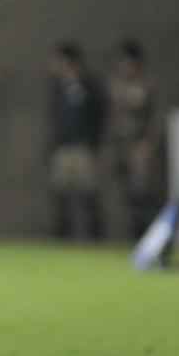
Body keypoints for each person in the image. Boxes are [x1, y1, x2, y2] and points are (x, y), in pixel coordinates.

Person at [47, 42, 108, 240]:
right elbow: (54, 117)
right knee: (61, 192)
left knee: (88, 192)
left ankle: (94, 235)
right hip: (63, 146)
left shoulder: (89, 86)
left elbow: (100, 115)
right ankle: (62, 235)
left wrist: (94, 141)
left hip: (83, 146)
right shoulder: (58, 87)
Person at [107, 40, 160, 240]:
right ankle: (132, 233)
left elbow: (153, 117)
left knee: (143, 191)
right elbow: (112, 115)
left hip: (139, 143)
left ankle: (146, 233)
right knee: (126, 192)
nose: (125, 66)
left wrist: (149, 143)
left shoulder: (147, 83)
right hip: (120, 143)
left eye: (128, 61)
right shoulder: (116, 84)